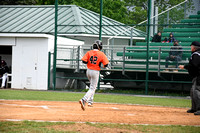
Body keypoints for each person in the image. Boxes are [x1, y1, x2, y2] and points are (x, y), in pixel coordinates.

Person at [79, 40, 109, 111]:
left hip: (88, 71)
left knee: (92, 87)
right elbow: (106, 64)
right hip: (95, 71)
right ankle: (84, 99)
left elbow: (84, 61)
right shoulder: (101, 54)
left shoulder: (89, 52)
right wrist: (103, 65)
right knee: (92, 88)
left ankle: (90, 101)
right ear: (100, 47)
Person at [179, 41, 200, 115]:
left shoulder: (196, 54)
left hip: (198, 76)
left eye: (191, 46)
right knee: (192, 91)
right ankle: (194, 108)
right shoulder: (197, 54)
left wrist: (185, 66)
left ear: (194, 47)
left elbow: (194, 65)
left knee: (196, 91)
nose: (190, 47)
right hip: (196, 76)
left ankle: (199, 108)